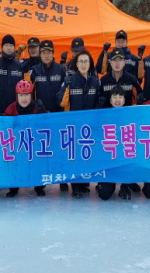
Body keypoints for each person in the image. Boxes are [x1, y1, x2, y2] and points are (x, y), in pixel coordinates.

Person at [57, 49, 100, 198]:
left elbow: (98, 103)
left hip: (90, 126)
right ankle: (75, 186)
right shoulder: (70, 80)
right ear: (76, 64)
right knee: (75, 156)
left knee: (86, 155)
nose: (83, 64)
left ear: (90, 64)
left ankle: (84, 184)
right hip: (73, 126)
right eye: (80, 61)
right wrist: (65, 90)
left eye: (86, 61)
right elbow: (59, 101)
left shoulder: (95, 81)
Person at [29, 40, 68, 191]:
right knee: (42, 150)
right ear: (40, 54)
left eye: (49, 52)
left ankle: (62, 179)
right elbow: (28, 91)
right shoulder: (34, 70)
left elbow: (66, 91)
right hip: (41, 116)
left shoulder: (61, 69)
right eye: (43, 52)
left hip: (58, 115)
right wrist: (35, 104)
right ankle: (41, 181)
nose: (46, 55)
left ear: (53, 54)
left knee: (59, 149)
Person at [3, 80, 47, 197]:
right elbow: (4, 126)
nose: (24, 98)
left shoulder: (37, 107)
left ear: (31, 95)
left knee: (38, 163)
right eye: (21, 95)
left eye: (27, 95)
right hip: (17, 144)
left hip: (34, 144)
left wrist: (43, 112)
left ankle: (39, 186)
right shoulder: (11, 108)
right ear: (17, 96)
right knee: (14, 164)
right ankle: (13, 188)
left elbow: (47, 124)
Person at [97, 86, 135, 200]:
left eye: (120, 97)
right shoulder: (103, 116)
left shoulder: (131, 115)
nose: (117, 100)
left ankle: (125, 186)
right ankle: (106, 184)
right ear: (110, 100)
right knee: (104, 195)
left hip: (124, 158)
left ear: (124, 100)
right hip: (108, 160)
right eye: (114, 97)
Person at [0, 34, 24, 115]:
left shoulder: (19, 65)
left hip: (14, 109)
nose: (9, 48)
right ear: (2, 47)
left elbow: (24, 86)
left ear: (14, 48)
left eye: (11, 45)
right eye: (6, 45)